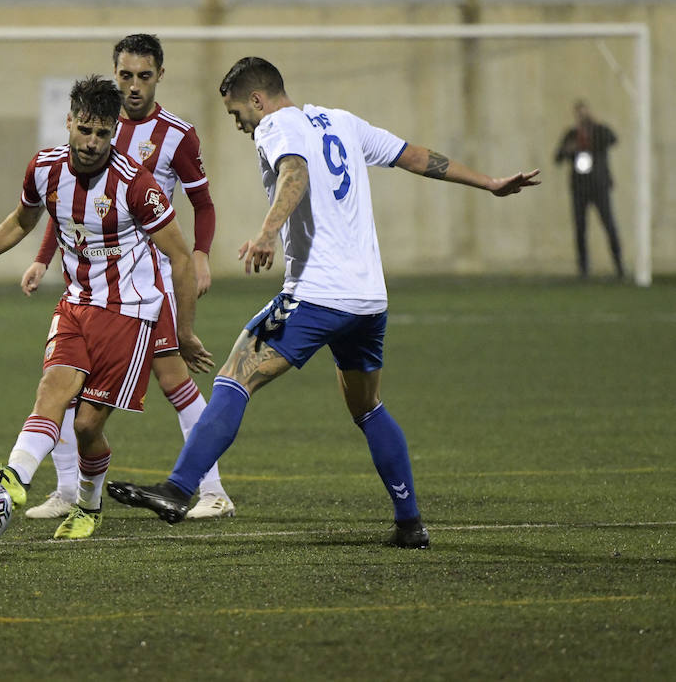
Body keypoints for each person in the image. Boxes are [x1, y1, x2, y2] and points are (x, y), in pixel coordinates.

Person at [108, 56, 539, 548]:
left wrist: (267, 233)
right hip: (368, 300)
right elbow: (416, 156)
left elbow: (295, 171)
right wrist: (489, 183)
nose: (240, 126)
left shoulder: (276, 126)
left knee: (234, 377)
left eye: (237, 115)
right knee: (368, 406)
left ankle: (179, 489)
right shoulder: (342, 121)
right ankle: (409, 523)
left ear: (256, 99)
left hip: (317, 293)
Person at [0, 75, 213, 540]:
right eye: (85, 130)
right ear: (69, 121)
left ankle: (89, 507)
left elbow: (179, 256)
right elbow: (21, 220)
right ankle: (14, 477)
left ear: (114, 131)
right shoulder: (45, 168)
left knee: (88, 426)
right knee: (52, 391)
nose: (92, 142)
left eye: (103, 133)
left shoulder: (137, 185)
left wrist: (185, 330)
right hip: (75, 305)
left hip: (128, 314)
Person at [19, 34, 233, 521]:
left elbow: (203, 203)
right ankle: (69, 490)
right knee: (73, 384)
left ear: (160, 75)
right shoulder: (98, 129)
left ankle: (213, 489)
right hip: (102, 285)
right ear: (114, 75)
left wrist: (200, 255)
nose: (134, 86)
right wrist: (42, 257)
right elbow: (70, 207)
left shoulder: (177, 135)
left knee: (173, 379)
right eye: (125, 76)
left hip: (150, 282)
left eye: (143, 76)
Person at [553, 100, 622, 278]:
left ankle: (619, 266)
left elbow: (613, 139)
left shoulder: (599, 131)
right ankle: (583, 269)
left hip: (599, 186)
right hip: (579, 188)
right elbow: (558, 157)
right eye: (579, 114)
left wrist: (595, 124)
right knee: (580, 228)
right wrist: (569, 149)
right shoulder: (572, 134)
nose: (582, 117)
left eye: (585, 113)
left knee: (609, 225)